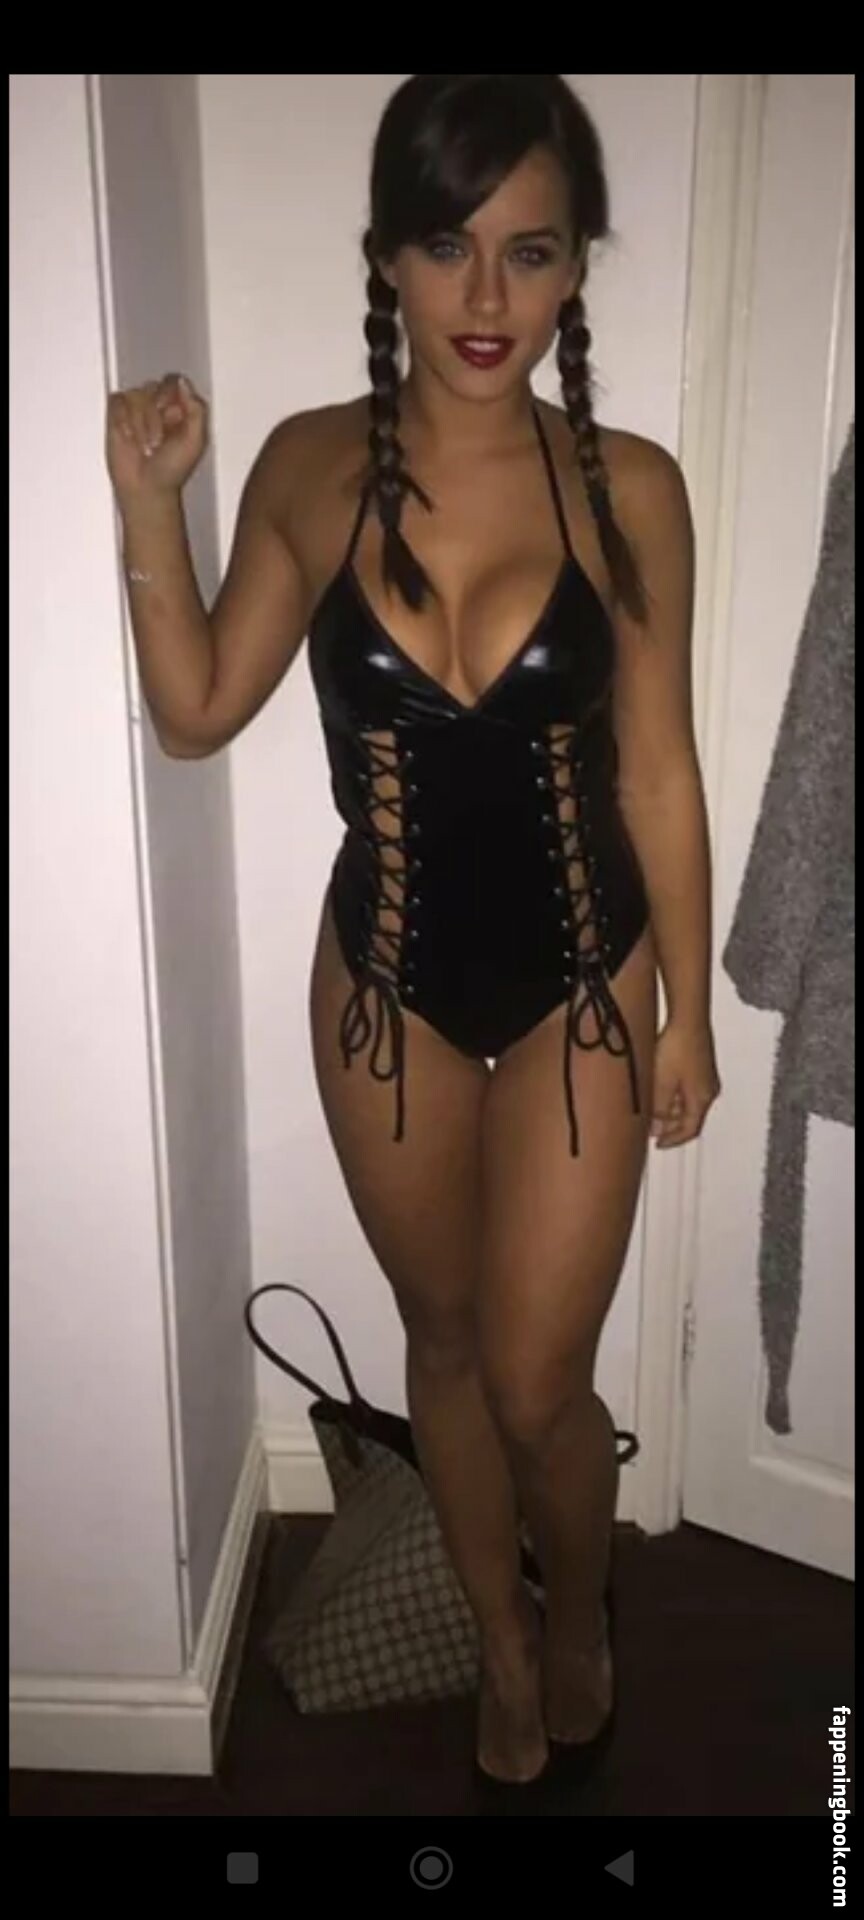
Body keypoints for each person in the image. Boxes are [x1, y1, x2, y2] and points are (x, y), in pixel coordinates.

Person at [106, 73, 720, 1789]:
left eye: (532, 251)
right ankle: (501, 1647)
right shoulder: (312, 465)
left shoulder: (630, 485)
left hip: (585, 984)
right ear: (386, 252)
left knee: (538, 1382)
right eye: (448, 246)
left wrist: (685, 1012)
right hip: (383, 986)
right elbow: (198, 712)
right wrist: (152, 506)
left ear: (577, 265)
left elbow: (658, 771)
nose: (486, 296)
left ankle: (579, 1609)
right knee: (439, 1346)